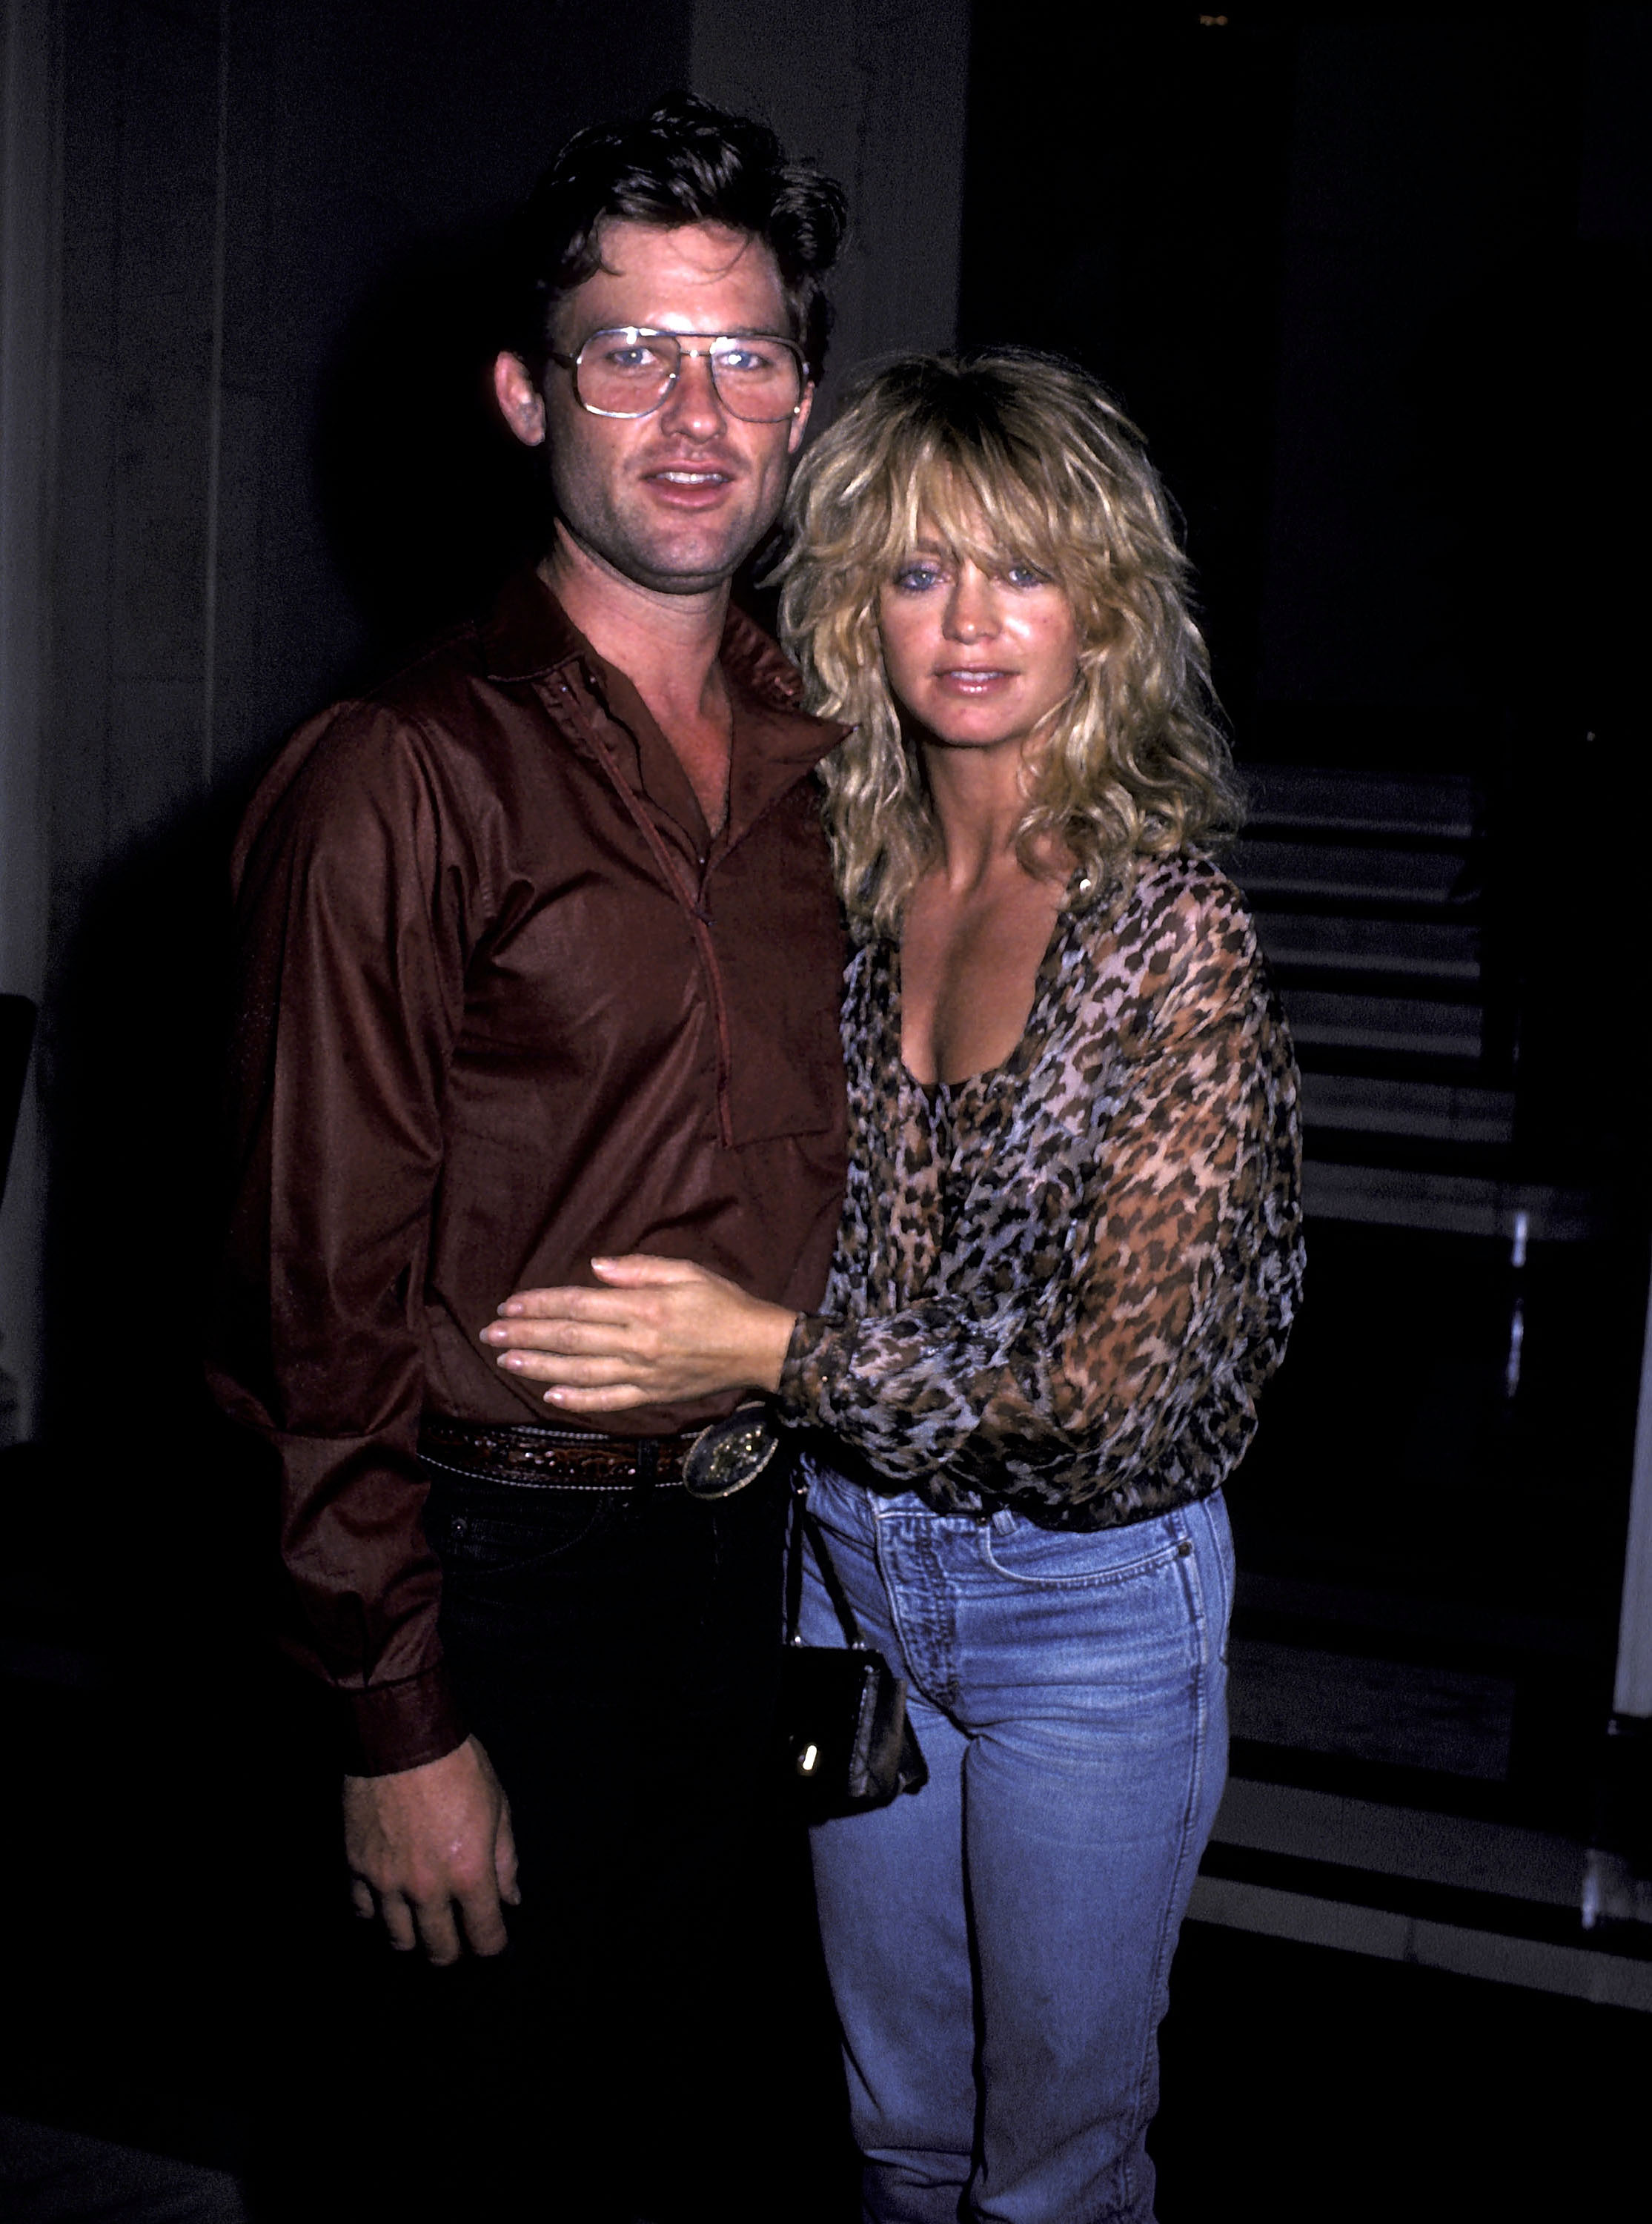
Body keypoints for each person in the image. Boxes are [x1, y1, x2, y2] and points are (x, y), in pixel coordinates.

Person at [485, 350, 1306, 2224]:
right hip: (852, 1578)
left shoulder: (1168, 929)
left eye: (1019, 567)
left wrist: (770, 1352)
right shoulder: (834, 875)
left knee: (1050, 2173)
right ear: (854, 597)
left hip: (1085, 1612)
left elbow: (1127, 1408)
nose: (967, 619)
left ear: (1100, 602)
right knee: (898, 2141)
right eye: (917, 568)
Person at [209, 95, 849, 2223]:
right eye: (628, 352)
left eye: (741, 354)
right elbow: (308, 1296)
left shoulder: (840, 769)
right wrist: (392, 1721)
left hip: (744, 1572)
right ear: (520, 394)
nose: (692, 412)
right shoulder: (398, 777)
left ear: (802, 398)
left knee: (686, 2151)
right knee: (453, 2162)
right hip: (490, 1583)